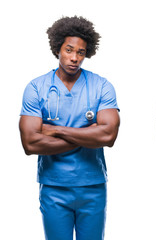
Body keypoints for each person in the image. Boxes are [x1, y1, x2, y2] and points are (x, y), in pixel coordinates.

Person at [19, 16, 120, 240]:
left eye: (81, 52)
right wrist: (88, 133)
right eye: (69, 50)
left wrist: (56, 130)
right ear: (58, 49)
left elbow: (109, 135)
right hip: (54, 187)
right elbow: (30, 143)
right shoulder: (36, 88)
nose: (74, 58)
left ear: (87, 53)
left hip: (92, 186)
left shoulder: (101, 86)